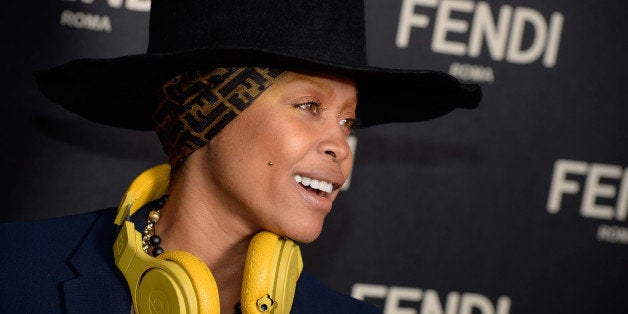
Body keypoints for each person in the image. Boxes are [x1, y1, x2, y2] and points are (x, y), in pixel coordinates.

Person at [0, 0, 481, 313]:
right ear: (206, 113)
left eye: (348, 121)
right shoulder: (15, 271)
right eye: (309, 106)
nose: (341, 145)